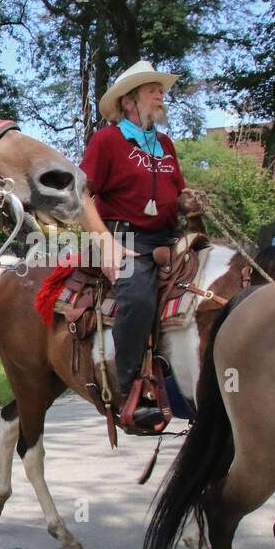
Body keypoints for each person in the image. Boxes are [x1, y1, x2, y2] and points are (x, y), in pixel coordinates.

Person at [79, 60, 186, 431]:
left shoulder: (165, 144)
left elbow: (177, 191)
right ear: (128, 102)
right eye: (151, 90)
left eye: (160, 89)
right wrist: (105, 242)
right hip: (124, 238)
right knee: (139, 299)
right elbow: (81, 195)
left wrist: (189, 202)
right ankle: (127, 395)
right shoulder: (108, 140)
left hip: (169, 238)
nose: (160, 95)